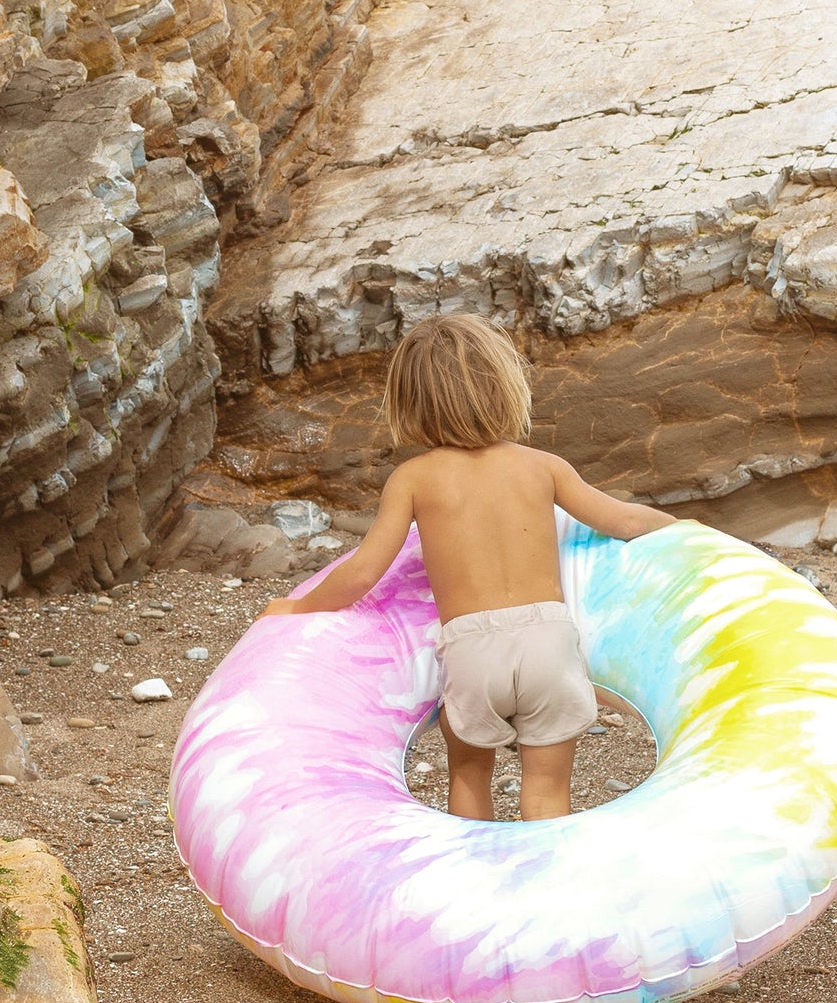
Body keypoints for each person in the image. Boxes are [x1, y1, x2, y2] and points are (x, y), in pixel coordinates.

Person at [260, 314, 676, 821]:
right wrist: (692, 531)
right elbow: (625, 520)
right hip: (548, 640)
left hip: (471, 649)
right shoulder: (543, 466)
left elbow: (363, 574)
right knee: (546, 789)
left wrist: (297, 607)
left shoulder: (413, 478)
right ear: (504, 388)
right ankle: (553, 887)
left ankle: (476, 885)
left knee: (469, 775)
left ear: (410, 404)